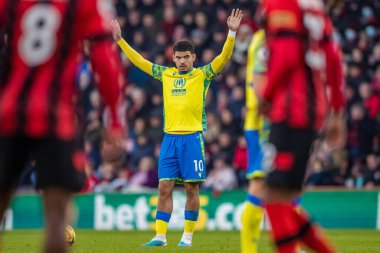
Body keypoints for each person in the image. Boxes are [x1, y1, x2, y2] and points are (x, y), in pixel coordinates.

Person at [111, 9, 243, 247]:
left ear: (193, 57)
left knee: (192, 189)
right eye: (178, 57)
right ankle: (160, 236)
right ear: (173, 58)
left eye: (185, 57)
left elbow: (223, 58)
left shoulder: (203, 75)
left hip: (193, 138)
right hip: (169, 139)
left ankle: (187, 236)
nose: (181, 61)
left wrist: (232, 33)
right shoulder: (166, 74)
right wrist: (120, 39)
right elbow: (140, 61)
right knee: (164, 187)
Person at [0, 1, 124, 253]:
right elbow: (104, 58)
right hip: (57, 118)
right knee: (57, 219)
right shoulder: (84, 5)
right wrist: (115, 118)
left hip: (8, 113)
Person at [258, 0, 345, 252]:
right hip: (311, 108)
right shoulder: (313, 8)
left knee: (274, 196)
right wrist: (337, 111)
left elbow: (286, 57)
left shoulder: (281, 4)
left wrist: (267, 95)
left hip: (291, 109)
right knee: (280, 198)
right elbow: (333, 58)